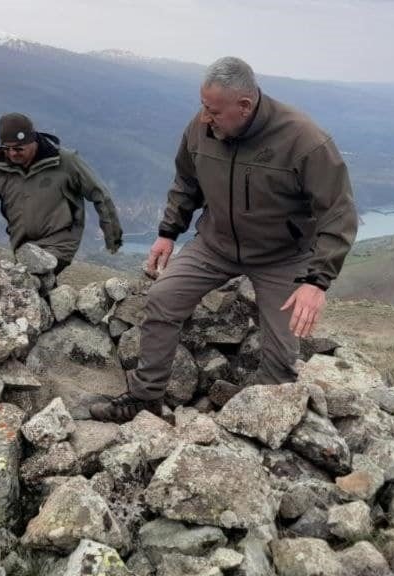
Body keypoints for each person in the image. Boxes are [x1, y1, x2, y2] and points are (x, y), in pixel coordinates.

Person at [91, 56, 358, 423]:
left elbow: (339, 213)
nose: (204, 118)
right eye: (203, 107)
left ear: (244, 106)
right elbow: (186, 183)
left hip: (281, 256)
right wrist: (168, 233)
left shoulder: (303, 140)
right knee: (163, 298)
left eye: (213, 110)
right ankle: (145, 398)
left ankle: (258, 421)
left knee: (282, 358)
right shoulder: (201, 130)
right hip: (214, 243)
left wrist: (317, 281)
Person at [0, 113, 122, 273]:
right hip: (22, 245)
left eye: (19, 149)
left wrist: (112, 236)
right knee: (23, 287)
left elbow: (100, 193)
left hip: (60, 242)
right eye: (7, 148)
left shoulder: (65, 162)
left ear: (33, 141)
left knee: (31, 280)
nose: (13, 153)